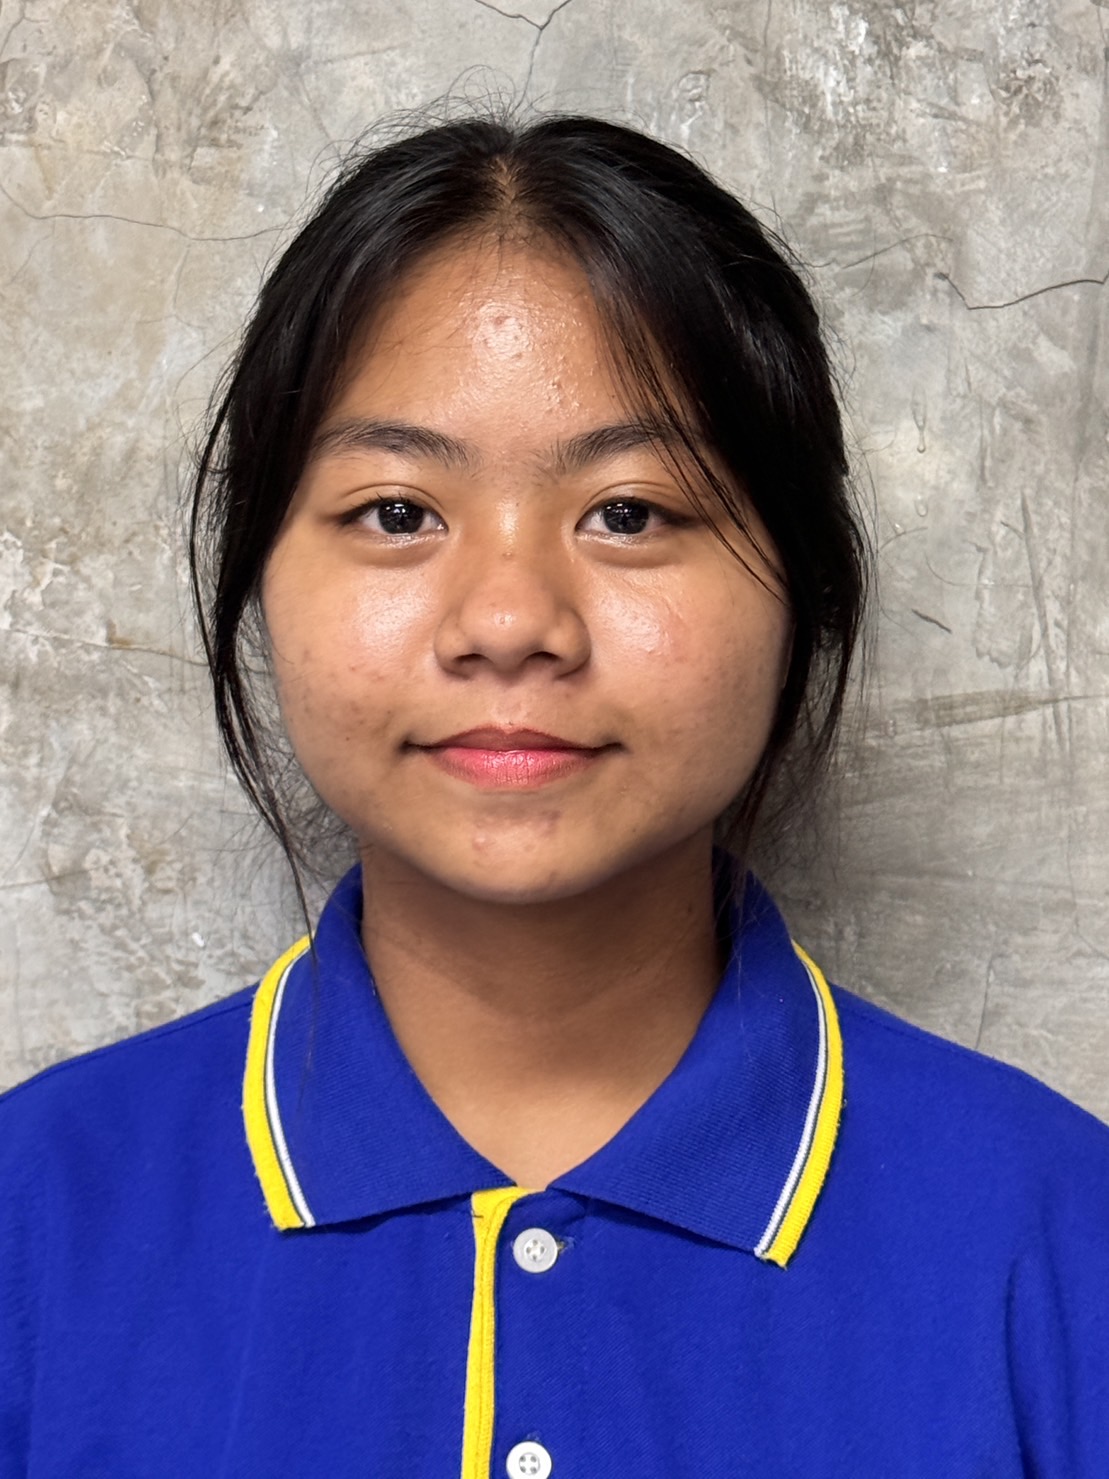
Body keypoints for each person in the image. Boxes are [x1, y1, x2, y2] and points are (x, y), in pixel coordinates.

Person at [1, 111, 1107, 1479]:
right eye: (398, 512)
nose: (511, 622)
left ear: (807, 590)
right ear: (259, 582)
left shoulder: (1057, 1238)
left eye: (629, 513)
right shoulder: (38, 1222)